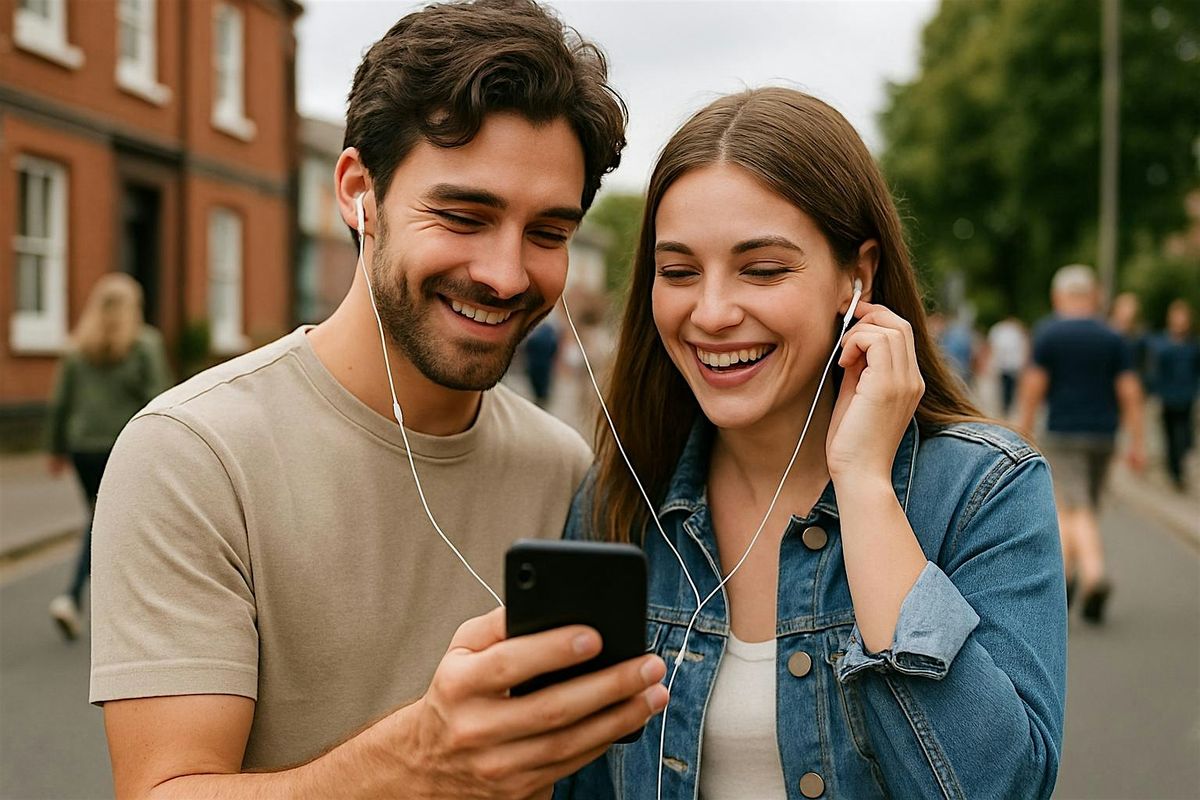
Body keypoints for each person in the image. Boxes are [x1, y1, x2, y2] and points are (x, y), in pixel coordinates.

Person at [90, 3, 667, 798]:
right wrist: (418, 759)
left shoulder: (561, 466)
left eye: (548, 232)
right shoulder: (192, 454)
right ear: (359, 192)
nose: (505, 274)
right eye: (463, 215)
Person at [556, 88, 1066, 800]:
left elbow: (999, 787)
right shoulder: (621, 492)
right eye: (677, 272)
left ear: (856, 276)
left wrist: (862, 486)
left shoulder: (984, 491)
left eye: (761, 269)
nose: (711, 312)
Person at [44, 273, 172, 640]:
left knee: (101, 520)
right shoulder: (145, 345)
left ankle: (85, 600)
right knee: (110, 524)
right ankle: (75, 598)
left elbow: (59, 404)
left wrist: (54, 449)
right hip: (125, 446)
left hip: (82, 447)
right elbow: (160, 398)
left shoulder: (76, 349)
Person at [1018, 265, 1145, 624]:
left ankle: (1092, 575)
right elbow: (1130, 391)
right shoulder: (1112, 337)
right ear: (1093, 296)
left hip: (1063, 433)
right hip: (1104, 435)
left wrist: (1023, 431)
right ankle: (1066, 577)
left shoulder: (1049, 334)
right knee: (1079, 506)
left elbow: (1033, 388)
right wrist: (1137, 441)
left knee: (1073, 507)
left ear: (1059, 297)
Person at [1146, 299, 1199, 491]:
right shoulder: (1161, 342)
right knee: (1171, 435)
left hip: (1186, 395)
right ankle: (1174, 472)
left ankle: (1178, 464)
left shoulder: (1193, 344)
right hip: (1167, 396)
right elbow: (1155, 370)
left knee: (1184, 436)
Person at [987, 314, 1029, 417]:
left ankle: (1006, 406)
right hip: (1005, 364)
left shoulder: (1005, 331)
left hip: (1011, 364)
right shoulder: (1002, 330)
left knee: (1009, 387)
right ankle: (1006, 406)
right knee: (1006, 387)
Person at [523, 316, 562, 407]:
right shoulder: (549, 332)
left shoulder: (537, 332)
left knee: (538, 382)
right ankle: (542, 398)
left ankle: (540, 398)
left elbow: (528, 346)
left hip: (536, 363)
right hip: (543, 363)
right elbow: (554, 347)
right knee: (543, 382)